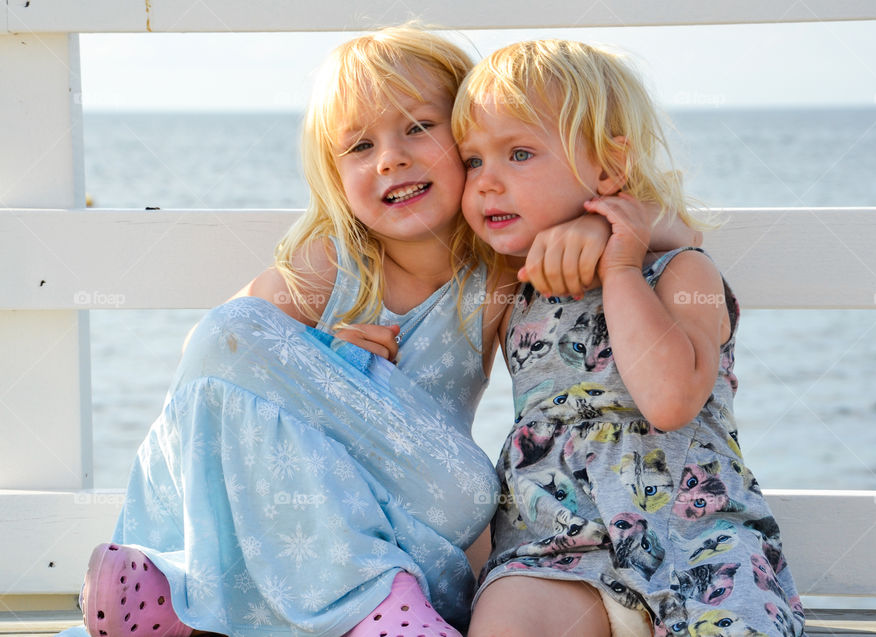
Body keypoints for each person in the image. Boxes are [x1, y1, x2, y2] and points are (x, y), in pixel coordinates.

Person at [75, 27, 699, 637]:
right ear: (336, 176)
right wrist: (320, 359)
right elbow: (213, 353)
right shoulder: (333, 265)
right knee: (236, 329)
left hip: (435, 509)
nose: (391, 157)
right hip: (323, 530)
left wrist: (606, 228)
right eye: (359, 147)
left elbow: (682, 231)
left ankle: (241, 602)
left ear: (463, 137)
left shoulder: (502, 264)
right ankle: (182, 587)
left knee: (475, 488)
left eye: (418, 127)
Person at [452, 39, 805, 637]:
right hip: (551, 549)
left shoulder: (680, 272)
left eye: (518, 153)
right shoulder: (511, 287)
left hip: (695, 540)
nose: (487, 183)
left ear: (609, 166)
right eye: (472, 161)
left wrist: (619, 263)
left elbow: (670, 401)